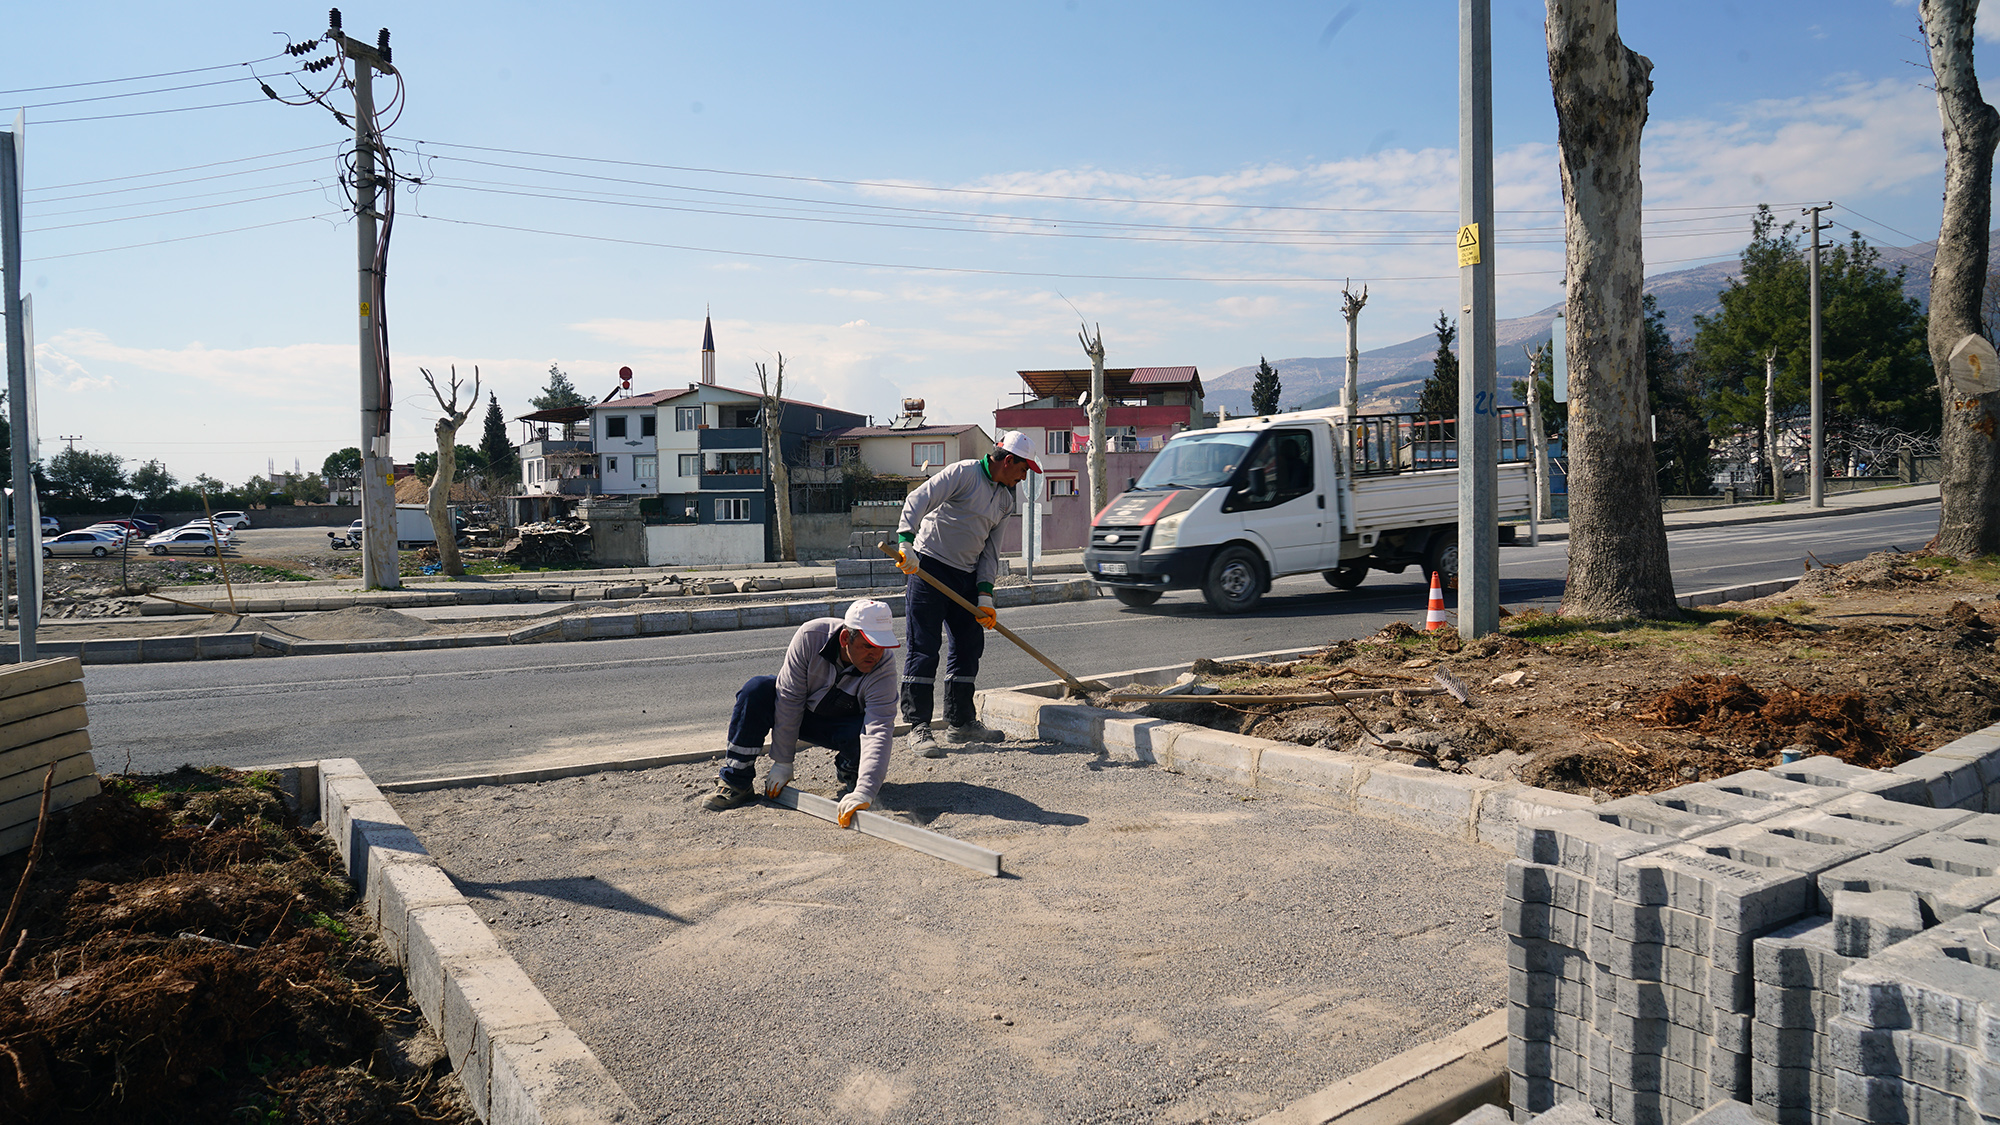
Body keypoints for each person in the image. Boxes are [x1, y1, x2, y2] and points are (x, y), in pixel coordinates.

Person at [893, 430, 1038, 758]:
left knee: (969, 645)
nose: (1024, 475)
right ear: (1009, 460)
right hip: (927, 567)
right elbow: (919, 499)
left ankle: (961, 722)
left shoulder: (1006, 499)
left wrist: (985, 594)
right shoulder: (963, 473)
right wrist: (905, 541)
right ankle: (918, 726)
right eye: (1023, 468)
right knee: (925, 647)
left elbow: (991, 551)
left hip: (967, 577)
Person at [701, 599, 900, 826]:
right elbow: (789, 699)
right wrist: (783, 761)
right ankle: (737, 781)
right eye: (868, 646)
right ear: (845, 639)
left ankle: (851, 772)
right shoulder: (811, 637)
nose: (876, 655)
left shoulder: (882, 665)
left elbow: (879, 727)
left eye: (882, 646)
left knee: (863, 729)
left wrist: (865, 791)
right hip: (803, 715)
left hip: (844, 726)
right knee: (756, 690)